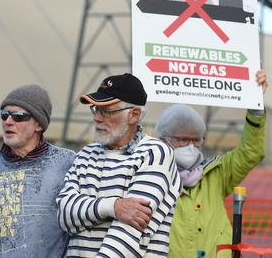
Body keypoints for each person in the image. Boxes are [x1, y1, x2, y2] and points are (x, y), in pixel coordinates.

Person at [57, 73, 181, 257]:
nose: (97, 118)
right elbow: (65, 216)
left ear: (134, 114)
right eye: (95, 109)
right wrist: (113, 207)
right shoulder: (85, 154)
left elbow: (128, 235)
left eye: (106, 111)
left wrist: (87, 209)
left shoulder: (154, 152)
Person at [157, 70, 268, 258]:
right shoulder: (150, 175)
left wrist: (256, 107)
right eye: (183, 139)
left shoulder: (216, 173)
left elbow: (251, 153)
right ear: (164, 140)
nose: (190, 147)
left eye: (196, 140)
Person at [0, 84, 76, 257]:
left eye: (18, 116)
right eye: (4, 115)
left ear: (38, 124)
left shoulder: (67, 163)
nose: (8, 121)